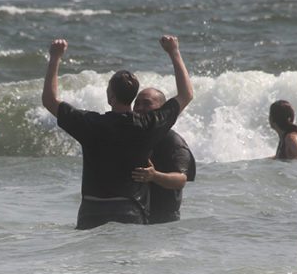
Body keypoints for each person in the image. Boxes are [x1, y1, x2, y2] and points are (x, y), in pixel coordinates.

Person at [42, 35, 194, 229]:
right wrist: (174, 52)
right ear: (132, 98)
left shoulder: (90, 123)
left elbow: (49, 100)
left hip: (91, 211)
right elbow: (186, 94)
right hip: (129, 211)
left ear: (110, 96)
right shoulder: (149, 124)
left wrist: (55, 58)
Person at [131, 87, 196, 224]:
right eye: (137, 103)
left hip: (164, 223)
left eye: (147, 103)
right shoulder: (135, 137)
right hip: (137, 218)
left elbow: (180, 180)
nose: (139, 108)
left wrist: (154, 176)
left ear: (163, 109)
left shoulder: (174, 142)